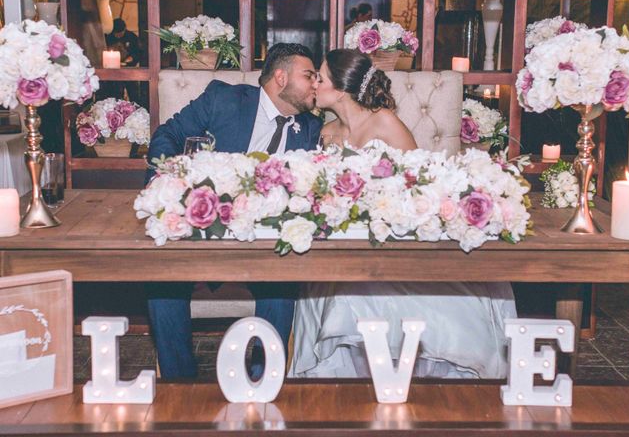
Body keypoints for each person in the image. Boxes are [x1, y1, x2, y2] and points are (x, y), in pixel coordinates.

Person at [289, 48, 517, 379]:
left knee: (363, 297)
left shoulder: (385, 122)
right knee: (333, 289)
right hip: (347, 244)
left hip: (393, 240)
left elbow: (421, 184)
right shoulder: (325, 133)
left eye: (320, 78)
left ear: (340, 88)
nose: (314, 85)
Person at [145, 43, 322, 380]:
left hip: (267, 247)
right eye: (309, 75)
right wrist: (165, 182)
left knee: (282, 290)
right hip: (203, 232)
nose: (315, 83)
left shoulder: (311, 128)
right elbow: (168, 134)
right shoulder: (223, 99)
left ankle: (261, 382)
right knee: (161, 286)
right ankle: (180, 386)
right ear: (281, 77)